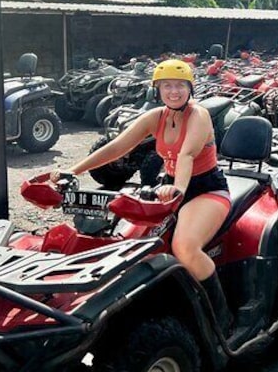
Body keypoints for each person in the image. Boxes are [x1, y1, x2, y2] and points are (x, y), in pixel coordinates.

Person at [48, 59, 234, 331]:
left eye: (180, 86)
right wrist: (73, 170)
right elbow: (118, 146)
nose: (174, 91)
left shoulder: (199, 115)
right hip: (168, 188)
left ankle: (221, 318)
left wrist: (179, 188)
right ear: (157, 89)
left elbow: (187, 154)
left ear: (190, 88)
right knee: (128, 241)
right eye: (167, 86)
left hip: (204, 189)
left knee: (185, 247)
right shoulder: (156, 116)